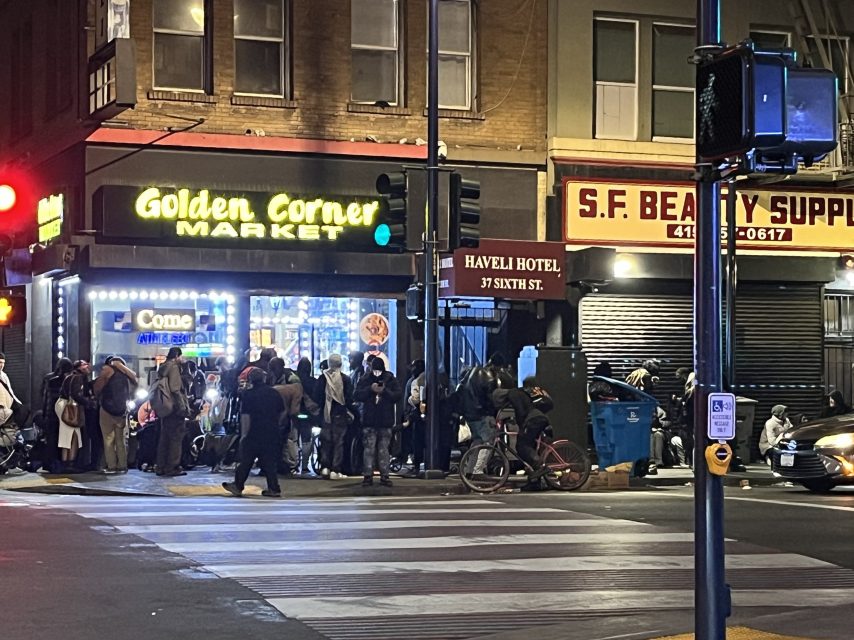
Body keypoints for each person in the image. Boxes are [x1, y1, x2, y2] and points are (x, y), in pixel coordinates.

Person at [223, 367, 285, 498]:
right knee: (269, 462)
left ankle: (238, 485)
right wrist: (276, 424)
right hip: (271, 431)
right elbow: (282, 412)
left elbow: (246, 416)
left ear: (251, 380)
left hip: (254, 432)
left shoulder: (248, 395)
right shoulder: (274, 393)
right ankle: (274, 488)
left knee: (246, 460)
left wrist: (244, 435)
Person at [495, 376, 554, 485]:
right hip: (541, 419)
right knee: (531, 447)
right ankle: (535, 480)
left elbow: (521, 411)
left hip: (533, 421)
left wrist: (521, 426)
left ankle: (539, 466)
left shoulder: (515, 393)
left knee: (522, 446)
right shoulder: (536, 391)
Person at [355, 358, 401, 487]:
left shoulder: (389, 379)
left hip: (381, 419)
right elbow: (357, 395)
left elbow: (397, 395)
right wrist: (371, 389)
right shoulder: (368, 379)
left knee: (380, 449)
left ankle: (380, 475)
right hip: (374, 419)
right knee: (375, 449)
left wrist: (383, 391)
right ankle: (371, 475)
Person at [93, 355, 138, 474]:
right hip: (121, 411)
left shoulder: (107, 371)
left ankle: (111, 466)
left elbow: (97, 388)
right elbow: (134, 386)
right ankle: (122, 465)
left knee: (108, 439)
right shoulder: (127, 376)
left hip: (106, 409)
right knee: (121, 440)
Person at [313, 353, 353, 479]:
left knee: (325, 441)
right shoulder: (345, 379)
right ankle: (335, 469)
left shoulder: (322, 378)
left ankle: (325, 467)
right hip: (340, 414)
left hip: (326, 414)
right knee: (338, 442)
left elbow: (317, 396)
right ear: (340, 364)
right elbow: (350, 398)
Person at [155, 347, 189, 477]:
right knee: (176, 438)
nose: (182, 359)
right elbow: (175, 389)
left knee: (164, 438)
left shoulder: (162, 367)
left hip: (164, 406)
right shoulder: (174, 367)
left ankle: (161, 466)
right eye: (181, 356)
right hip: (174, 407)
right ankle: (172, 467)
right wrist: (182, 407)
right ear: (177, 356)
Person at [57, 360, 93, 472]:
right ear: (79, 367)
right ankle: (69, 464)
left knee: (68, 435)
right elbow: (75, 394)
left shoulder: (71, 376)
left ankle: (67, 463)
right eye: (84, 364)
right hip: (70, 406)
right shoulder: (77, 377)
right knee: (72, 436)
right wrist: (88, 402)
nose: (88, 366)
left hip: (63, 404)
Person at [270, 357, 303, 474]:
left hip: (290, 414)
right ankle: (283, 463)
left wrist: (293, 413)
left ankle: (292, 464)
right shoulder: (274, 377)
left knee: (290, 440)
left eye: (273, 368)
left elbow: (297, 397)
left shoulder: (292, 379)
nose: (272, 371)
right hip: (279, 414)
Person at [41, 358, 73, 473]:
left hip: (50, 414)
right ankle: (59, 464)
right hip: (62, 414)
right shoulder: (67, 381)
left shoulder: (49, 378)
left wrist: (44, 413)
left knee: (51, 440)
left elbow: (44, 397)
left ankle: (50, 464)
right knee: (60, 440)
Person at [294, 357, 320, 474]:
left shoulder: (294, 381)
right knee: (307, 439)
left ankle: (293, 463)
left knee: (293, 439)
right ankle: (305, 466)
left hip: (296, 413)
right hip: (309, 414)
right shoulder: (314, 382)